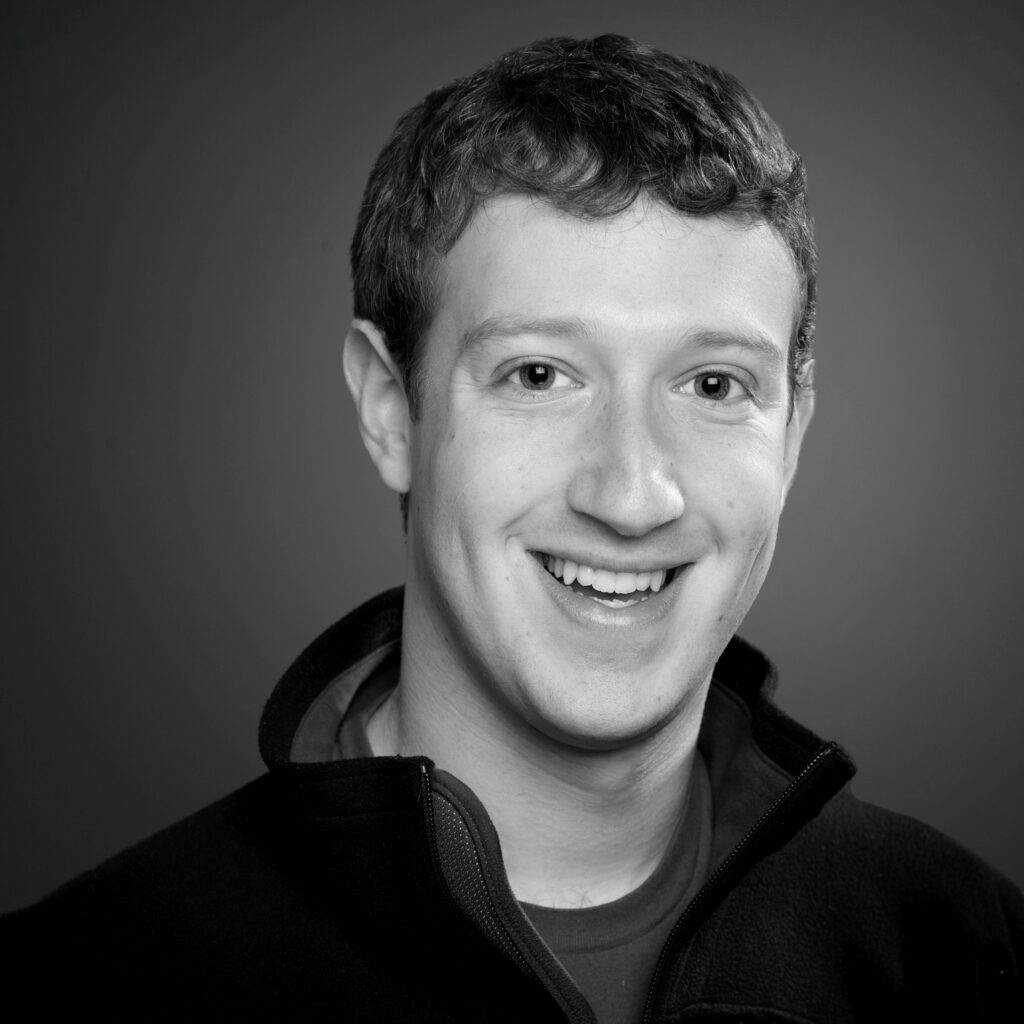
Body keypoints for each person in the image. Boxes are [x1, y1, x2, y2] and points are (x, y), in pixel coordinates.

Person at [2, 33, 1021, 1022]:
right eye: (538, 375)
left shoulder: (970, 959)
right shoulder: (82, 982)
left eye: (714, 384)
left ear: (791, 433)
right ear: (390, 410)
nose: (631, 495)